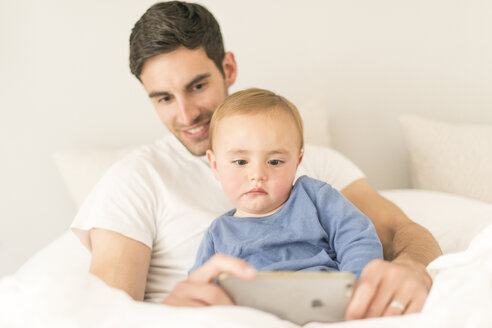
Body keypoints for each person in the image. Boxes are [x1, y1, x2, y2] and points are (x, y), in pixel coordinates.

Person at [71, 1, 442, 320]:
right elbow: (108, 312)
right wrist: (173, 312)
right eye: (163, 98)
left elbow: (403, 234)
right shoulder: (136, 179)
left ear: (228, 69)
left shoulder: (318, 171)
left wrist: (410, 267)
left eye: (197, 86)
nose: (186, 115)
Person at [189, 88, 383, 279]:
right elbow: (198, 285)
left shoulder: (315, 197)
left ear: (296, 163)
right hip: (251, 307)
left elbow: (358, 239)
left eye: (274, 162)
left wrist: (356, 286)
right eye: (240, 162)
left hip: (320, 299)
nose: (257, 175)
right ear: (215, 166)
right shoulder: (218, 233)